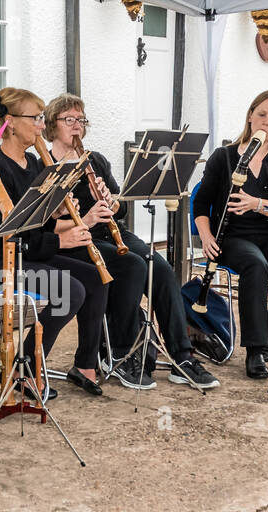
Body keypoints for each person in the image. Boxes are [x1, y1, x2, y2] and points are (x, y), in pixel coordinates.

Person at [45, 93, 219, 390]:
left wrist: (110, 202)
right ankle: (124, 354)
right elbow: (46, 225)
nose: (76, 126)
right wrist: (85, 217)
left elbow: (121, 206)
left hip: (111, 230)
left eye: (81, 120)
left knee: (161, 268)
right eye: (69, 119)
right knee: (132, 266)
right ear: (52, 124)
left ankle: (182, 355)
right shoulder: (46, 163)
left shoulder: (94, 160)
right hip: (78, 237)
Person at [0, 87, 109, 397]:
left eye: (43, 118)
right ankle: (24, 367)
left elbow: (35, 223)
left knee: (95, 276)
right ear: (11, 123)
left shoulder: (33, 162)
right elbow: (10, 233)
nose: (42, 125)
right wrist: (62, 241)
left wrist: (64, 217)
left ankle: (84, 363)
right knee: (70, 292)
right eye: (36, 118)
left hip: (25, 252)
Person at [193, 90, 268, 380]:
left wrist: (258, 204)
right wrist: (206, 236)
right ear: (250, 115)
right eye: (261, 114)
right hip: (233, 236)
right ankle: (256, 349)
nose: (266, 121)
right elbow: (200, 203)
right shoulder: (223, 157)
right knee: (255, 266)